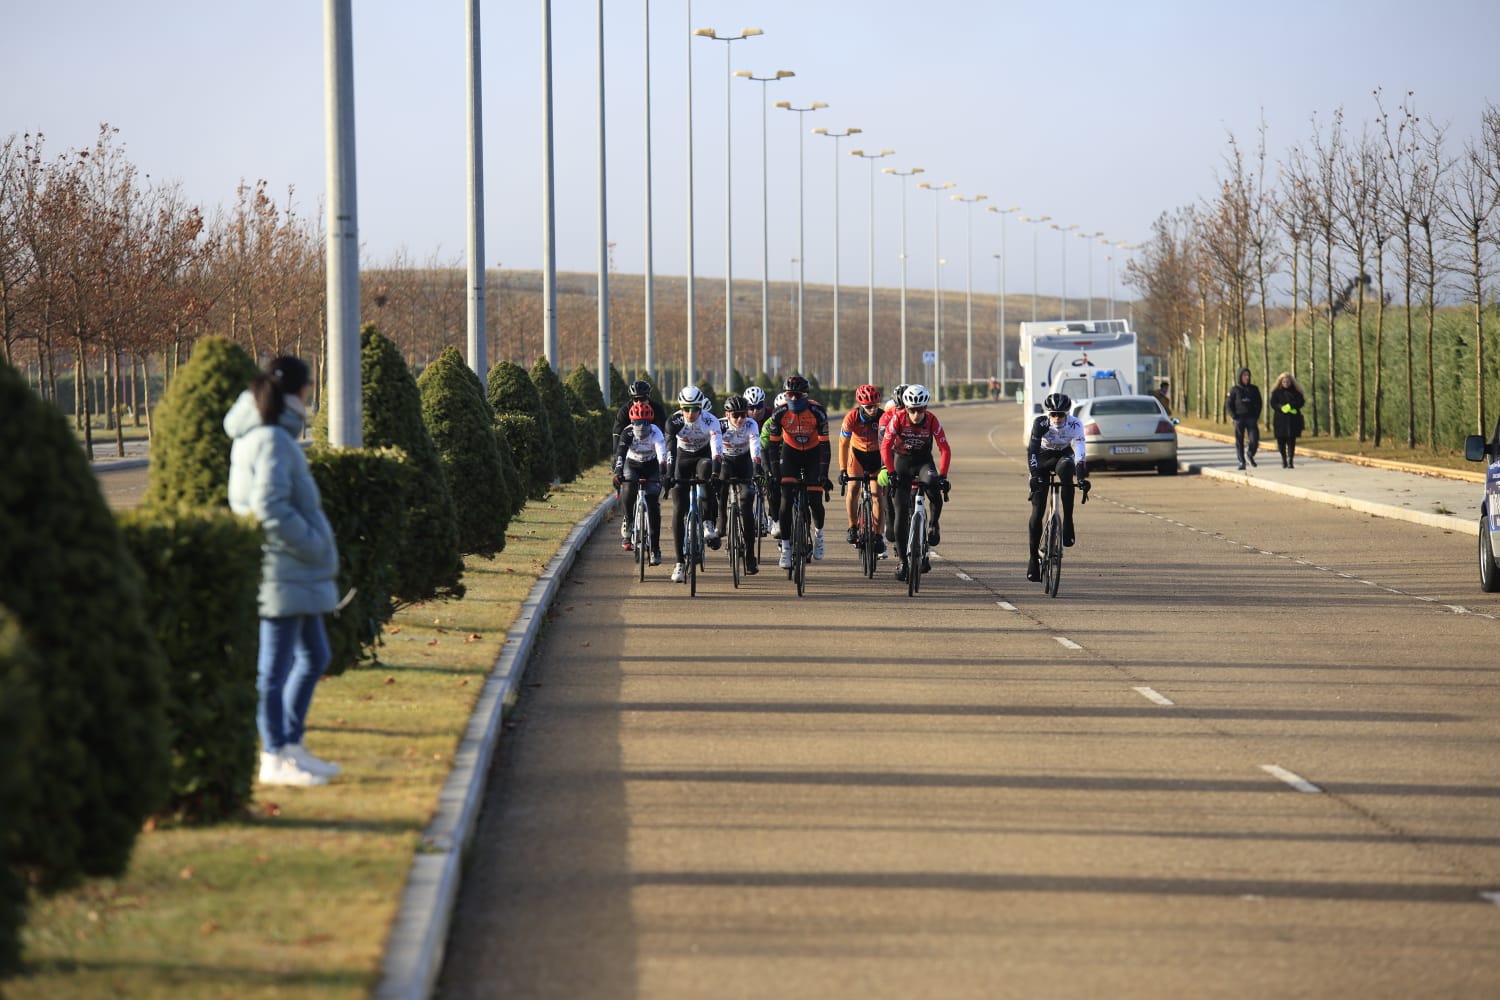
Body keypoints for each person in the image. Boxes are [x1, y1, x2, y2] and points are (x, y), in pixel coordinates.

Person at [225, 356, 341, 787]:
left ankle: (290, 746)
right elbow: (269, 508)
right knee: (274, 669)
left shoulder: (265, 434)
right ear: (299, 391)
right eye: (310, 387)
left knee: (314, 657)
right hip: (282, 569)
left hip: (291, 571)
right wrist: (312, 544)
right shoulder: (272, 439)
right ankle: (273, 754)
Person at [878, 384, 952, 583]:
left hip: (923, 462)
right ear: (906, 408)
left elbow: (944, 449)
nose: (916, 414)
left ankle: (933, 524)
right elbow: (885, 446)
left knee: (934, 485)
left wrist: (943, 476)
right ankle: (903, 561)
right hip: (902, 463)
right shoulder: (898, 418)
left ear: (925, 408)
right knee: (901, 512)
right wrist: (890, 472)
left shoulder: (932, 420)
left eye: (920, 410)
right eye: (912, 410)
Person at [764, 374, 831, 569]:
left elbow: (825, 447)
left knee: (815, 500)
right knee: (785, 499)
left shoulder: (817, 411)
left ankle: (819, 535)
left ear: (805, 395)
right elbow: (772, 447)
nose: (793, 398)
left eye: (798, 395)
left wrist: (823, 474)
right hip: (790, 453)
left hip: (813, 453)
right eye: (790, 394)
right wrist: (775, 473)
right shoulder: (779, 413)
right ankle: (785, 548)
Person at [1025, 391, 1089, 583]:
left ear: (1067, 414)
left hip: (1063, 456)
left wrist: (1083, 478)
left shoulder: (1075, 424)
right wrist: (1034, 476)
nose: (1057, 418)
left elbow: (1080, 453)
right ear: (1048, 413)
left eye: (1061, 414)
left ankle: (1068, 522)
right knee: (1038, 509)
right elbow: (1032, 451)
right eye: (1053, 414)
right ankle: (1033, 559)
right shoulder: (1040, 423)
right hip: (1042, 459)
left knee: (1068, 469)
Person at [664, 385, 723, 583]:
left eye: (695, 409)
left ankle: (707, 522)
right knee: (678, 508)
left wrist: (716, 472)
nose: (690, 413)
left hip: (702, 458)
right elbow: (670, 449)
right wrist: (668, 475)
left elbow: (716, 450)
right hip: (681, 459)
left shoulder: (710, 421)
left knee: (707, 472)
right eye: (686, 409)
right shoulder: (674, 421)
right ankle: (680, 563)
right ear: (681, 408)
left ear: (701, 408)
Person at [613, 401, 667, 565]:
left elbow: (662, 457)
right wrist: (618, 472)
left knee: (653, 505)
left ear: (650, 421)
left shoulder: (656, 433)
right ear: (632, 422)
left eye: (644, 423)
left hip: (651, 466)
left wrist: (664, 473)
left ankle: (655, 548)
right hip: (633, 465)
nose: (641, 426)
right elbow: (620, 454)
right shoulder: (627, 433)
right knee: (629, 489)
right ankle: (629, 524)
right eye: (637, 422)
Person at [714, 395, 763, 575]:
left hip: (744, 462)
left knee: (746, 502)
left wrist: (757, 466)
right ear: (727, 415)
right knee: (722, 482)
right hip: (726, 460)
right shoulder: (719, 425)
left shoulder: (751, 424)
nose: (740, 419)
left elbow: (755, 446)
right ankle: (722, 521)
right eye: (736, 415)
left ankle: (750, 557)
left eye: (743, 414)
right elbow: (715, 448)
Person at [838, 384, 887, 557]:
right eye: (869, 407)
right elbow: (843, 444)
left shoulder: (883, 417)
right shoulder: (851, 418)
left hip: (876, 456)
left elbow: (890, 444)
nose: (873, 410)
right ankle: (852, 526)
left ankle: (879, 535)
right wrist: (843, 469)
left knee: (877, 494)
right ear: (860, 405)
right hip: (857, 456)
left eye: (876, 405)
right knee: (853, 488)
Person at [611, 379, 667, 454]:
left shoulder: (657, 409)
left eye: (642, 398)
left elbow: (663, 434)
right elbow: (617, 434)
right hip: (631, 450)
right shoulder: (624, 411)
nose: (639, 402)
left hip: (652, 448)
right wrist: (616, 457)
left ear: (648, 397)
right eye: (635, 399)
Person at [1224, 367, 1263, 469]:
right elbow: (1228, 404)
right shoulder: (1235, 390)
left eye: (1248, 375)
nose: (1246, 377)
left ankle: (1250, 453)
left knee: (1254, 439)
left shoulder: (1254, 389)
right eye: (1244, 375)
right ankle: (1242, 462)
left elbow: (1259, 403)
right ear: (1240, 377)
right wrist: (1234, 416)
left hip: (1251, 418)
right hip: (1239, 418)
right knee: (1239, 440)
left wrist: (1256, 415)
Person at [1269, 371, 1306, 468]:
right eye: (1284, 382)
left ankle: (1290, 460)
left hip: (1292, 420)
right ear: (1280, 382)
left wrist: (1291, 405)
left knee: (1291, 440)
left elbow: (1301, 402)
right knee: (1281, 441)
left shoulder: (1296, 392)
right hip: (1280, 420)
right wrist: (1281, 407)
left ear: (1291, 382)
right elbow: (1273, 404)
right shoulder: (1276, 393)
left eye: (1288, 382)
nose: (1286, 383)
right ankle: (1283, 458)